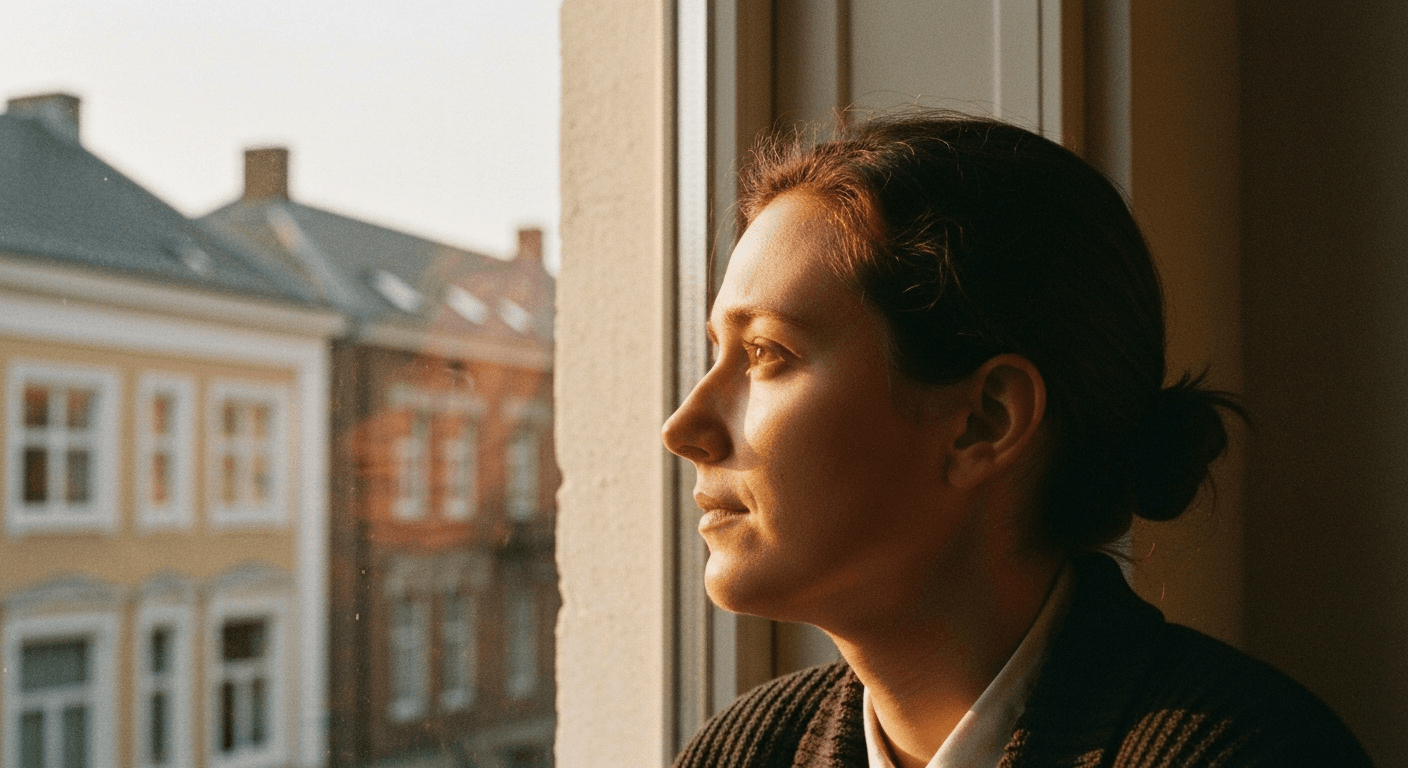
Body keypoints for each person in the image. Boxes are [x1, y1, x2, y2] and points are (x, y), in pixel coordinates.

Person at [661, 111, 1372, 768]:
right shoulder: (743, 752)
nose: (684, 428)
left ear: (987, 421)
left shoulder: (1244, 754)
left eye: (766, 354)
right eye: (717, 352)